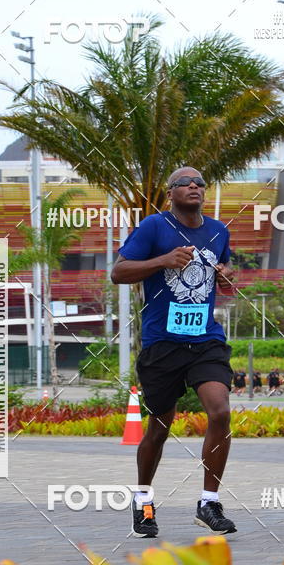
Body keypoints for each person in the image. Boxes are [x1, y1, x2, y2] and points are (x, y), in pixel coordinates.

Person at [111, 166, 237, 537]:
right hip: (162, 343)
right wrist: (162, 261)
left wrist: (227, 277)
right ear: (171, 193)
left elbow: (224, 277)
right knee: (158, 428)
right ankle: (143, 501)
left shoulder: (218, 231)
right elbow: (119, 273)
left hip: (205, 340)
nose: (195, 186)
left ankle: (208, 503)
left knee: (220, 411)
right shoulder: (154, 227)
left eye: (200, 182)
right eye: (186, 183)